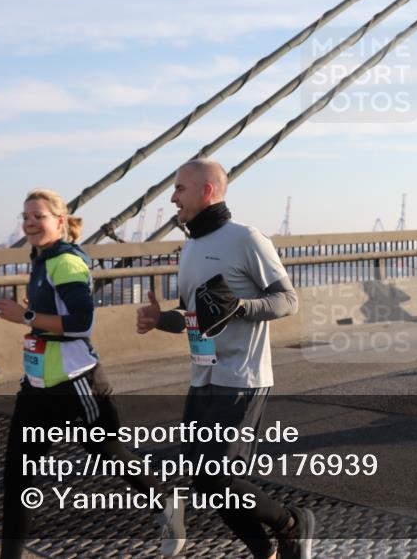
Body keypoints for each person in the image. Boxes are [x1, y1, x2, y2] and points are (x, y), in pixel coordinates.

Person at [136, 159, 312, 559]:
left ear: (207, 192)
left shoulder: (246, 238)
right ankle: (265, 550)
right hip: (202, 377)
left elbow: (287, 300)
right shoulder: (191, 247)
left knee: (221, 478)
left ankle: (291, 521)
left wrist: (240, 308)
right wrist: (159, 318)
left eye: (180, 188)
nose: (173, 196)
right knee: (205, 480)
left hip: (243, 376)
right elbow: (192, 314)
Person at [0, 188, 183, 559]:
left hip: (75, 381)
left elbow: (82, 322)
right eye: (26, 216)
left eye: (40, 216)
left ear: (60, 222)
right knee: (17, 479)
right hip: (36, 386)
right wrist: (36, 312)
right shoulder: (41, 258)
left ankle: (164, 501)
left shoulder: (65, 261)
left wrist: (27, 317)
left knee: (106, 450)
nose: (31, 222)